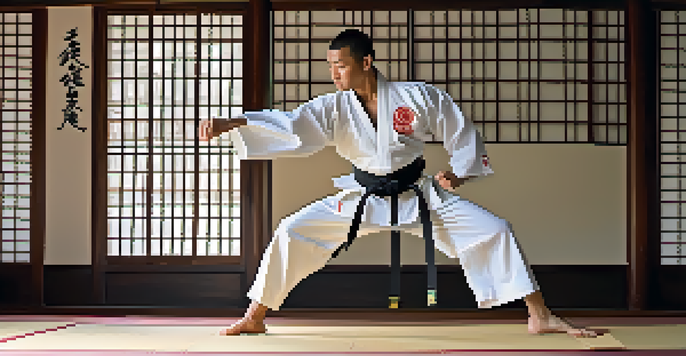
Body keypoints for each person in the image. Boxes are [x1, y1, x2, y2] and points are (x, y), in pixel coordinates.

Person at [199, 29, 599, 338]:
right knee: (290, 230)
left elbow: (459, 129)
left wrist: (457, 173)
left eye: (340, 65)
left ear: (366, 61)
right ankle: (255, 317)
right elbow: (291, 125)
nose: (333, 73)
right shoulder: (334, 107)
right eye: (330, 66)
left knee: (496, 230)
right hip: (363, 196)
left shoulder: (416, 97)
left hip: (418, 195)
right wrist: (233, 123)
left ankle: (540, 315)